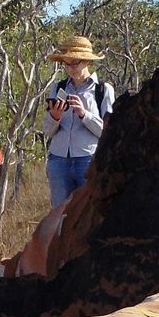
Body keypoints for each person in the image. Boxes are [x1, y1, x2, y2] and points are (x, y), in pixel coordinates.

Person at [41, 34, 117, 208]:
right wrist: (55, 117)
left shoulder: (103, 90)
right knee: (59, 213)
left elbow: (108, 132)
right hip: (59, 161)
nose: (70, 68)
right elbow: (47, 131)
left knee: (88, 211)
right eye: (66, 63)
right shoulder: (58, 87)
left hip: (89, 160)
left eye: (75, 62)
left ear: (87, 62)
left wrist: (84, 114)